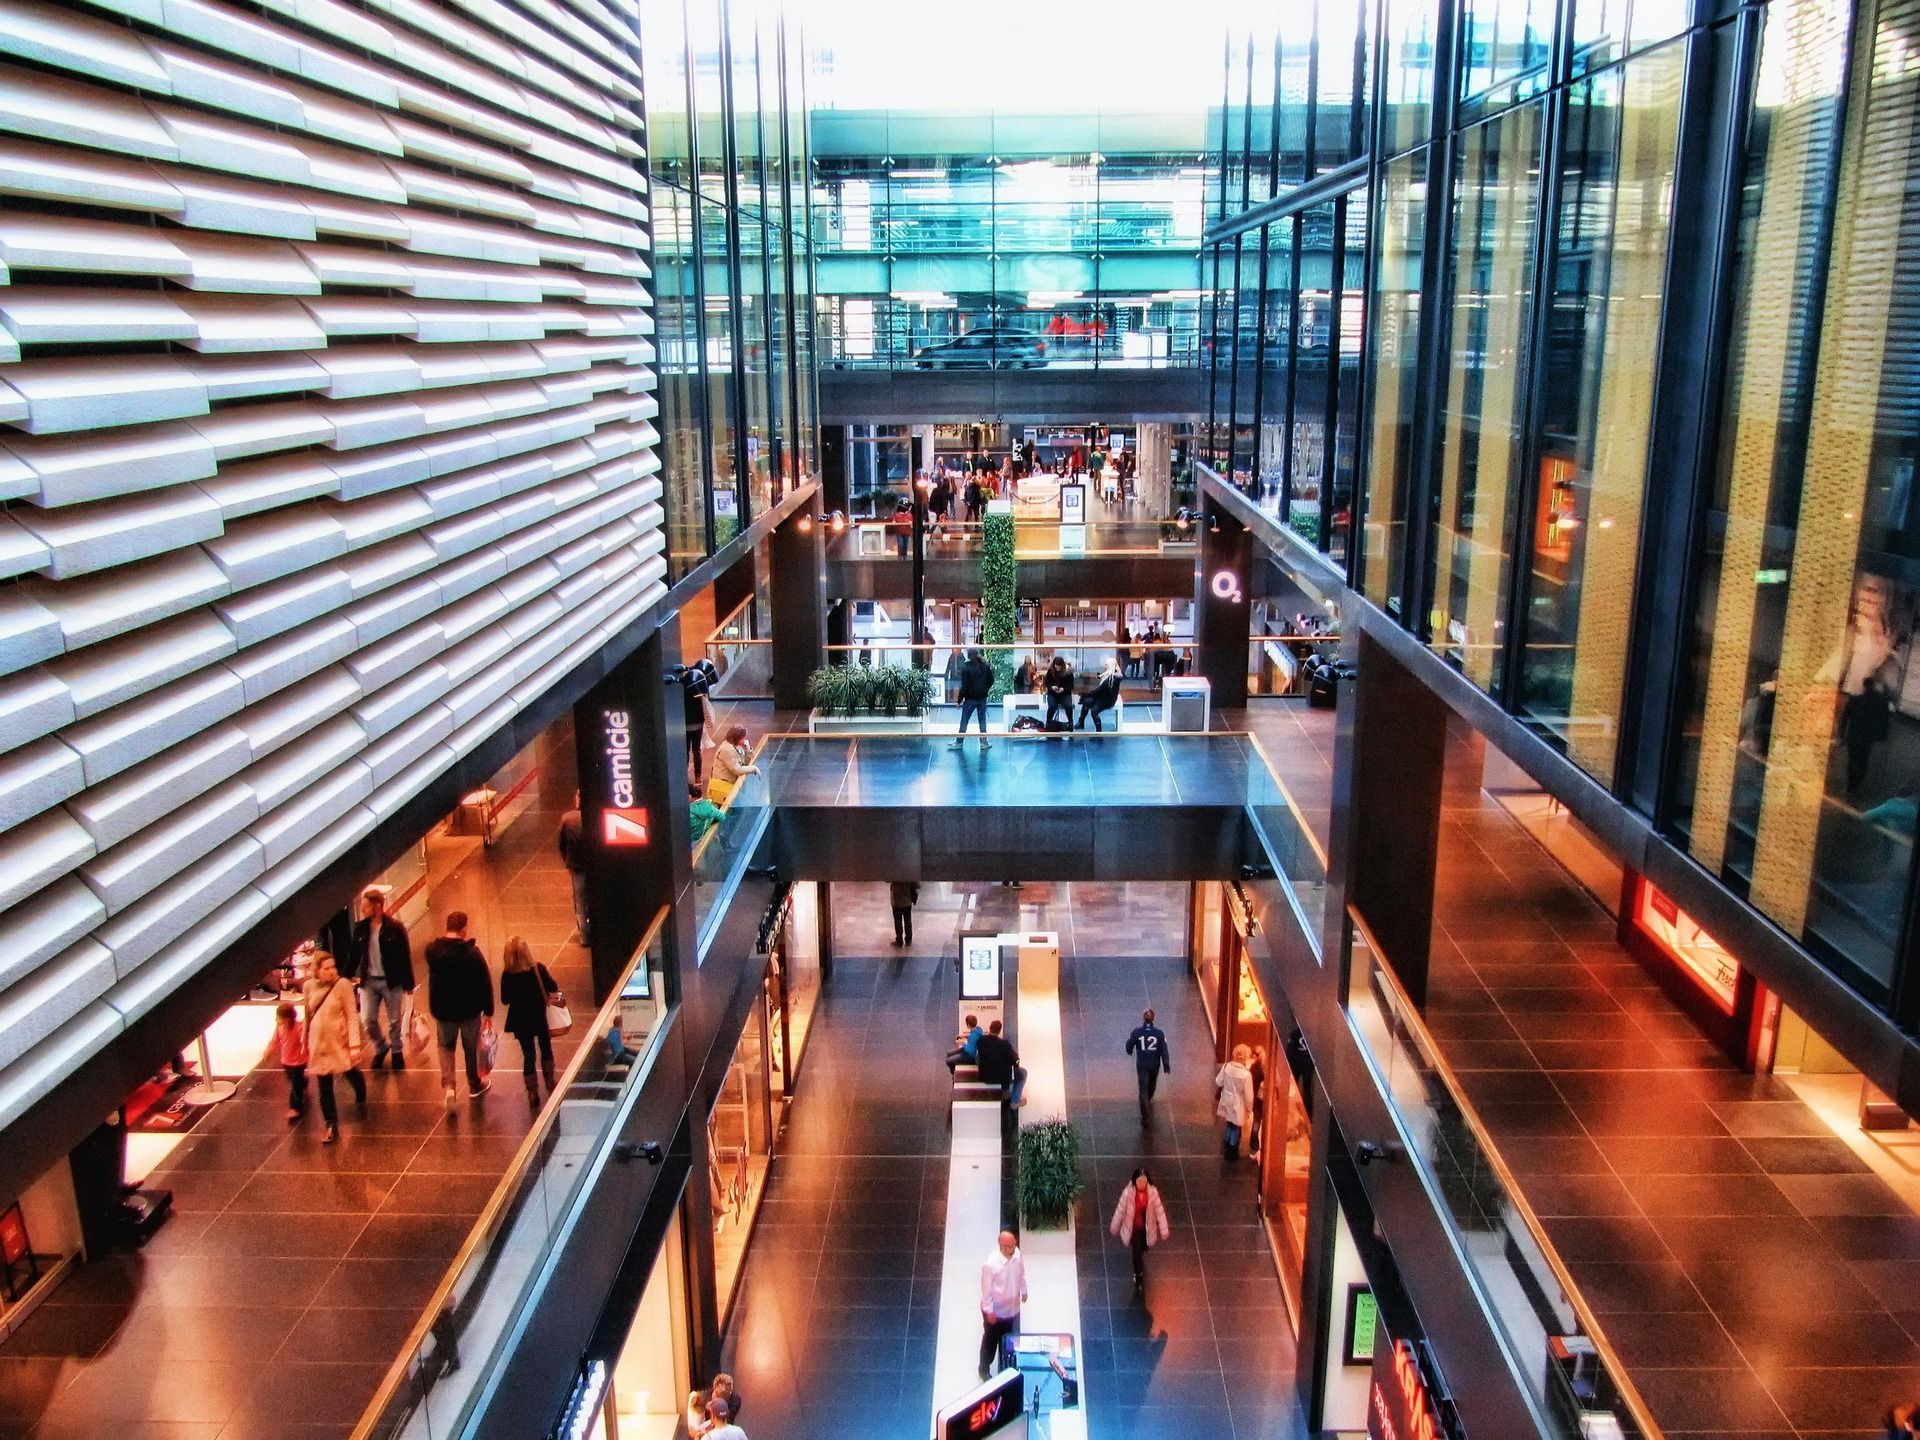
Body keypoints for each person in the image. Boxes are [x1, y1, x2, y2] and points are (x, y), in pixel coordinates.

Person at [425, 911, 494, 1107]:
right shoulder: (472, 953)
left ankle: (449, 1087)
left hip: (443, 1011)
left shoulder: (433, 951)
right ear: (463, 928)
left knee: (445, 1047)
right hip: (468, 1011)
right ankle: (474, 1084)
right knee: (471, 1048)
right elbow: (484, 981)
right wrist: (488, 1009)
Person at [345, 886, 415, 1070]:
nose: (362, 909)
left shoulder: (395, 928)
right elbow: (354, 955)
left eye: (366, 906)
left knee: (394, 1020)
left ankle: (397, 1051)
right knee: (367, 1018)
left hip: (391, 980)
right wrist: (346, 976)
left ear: (377, 905)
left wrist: (409, 984)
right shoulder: (361, 929)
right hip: (368, 981)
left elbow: (404, 956)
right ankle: (381, 1046)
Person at [302, 950, 367, 1144]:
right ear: (318, 970)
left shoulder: (342, 985)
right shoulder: (308, 986)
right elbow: (307, 1013)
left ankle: (359, 1087)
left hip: (339, 1039)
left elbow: (351, 1015)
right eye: (327, 968)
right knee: (324, 1085)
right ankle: (330, 1124)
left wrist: (355, 1044)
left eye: (333, 967)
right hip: (318, 1041)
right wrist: (304, 1039)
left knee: (347, 1070)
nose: (331, 971)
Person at [499, 935, 560, 1100]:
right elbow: (553, 987)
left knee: (528, 1054)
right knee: (545, 1047)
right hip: (539, 1016)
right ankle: (550, 1081)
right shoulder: (537, 969)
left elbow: (505, 1000)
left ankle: (532, 1091)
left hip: (520, 1020)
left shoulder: (507, 975)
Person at [1108, 1168, 1170, 1297]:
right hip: (1134, 1229)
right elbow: (1120, 1211)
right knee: (1136, 1253)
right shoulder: (1128, 1194)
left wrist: (1164, 1229)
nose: (1141, 1183)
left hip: (1146, 1229)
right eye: (1139, 1181)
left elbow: (1159, 1212)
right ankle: (1138, 1277)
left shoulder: (1152, 1193)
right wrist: (1115, 1226)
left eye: (1144, 1181)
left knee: (1142, 1248)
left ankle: (1140, 1259)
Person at [978, 1229, 1026, 1381]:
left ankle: (1007, 1366)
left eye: (1014, 1245)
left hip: (1011, 1309)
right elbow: (986, 1291)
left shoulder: (1017, 1254)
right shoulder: (990, 1265)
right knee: (990, 1342)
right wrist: (989, 1311)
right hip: (996, 1313)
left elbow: (1021, 1273)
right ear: (1001, 1245)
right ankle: (984, 1369)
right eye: (1009, 1246)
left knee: (1008, 1340)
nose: (1013, 1249)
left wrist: (1023, 1290)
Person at [1841, 676, 1893, 799]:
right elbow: (1884, 721)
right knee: (1863, 760)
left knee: (1853, 760)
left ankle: (1851, 786)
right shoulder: (1881, 702)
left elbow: (1845, 718)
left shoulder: (1855, 700)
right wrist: (1882, 735)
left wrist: (1841, 735)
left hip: (1854, 735)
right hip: (1868, 737)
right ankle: (1857, 785)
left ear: (1864, 686)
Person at [1125, 1007, 1170, 1125]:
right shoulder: (1159, 1034)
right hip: (1154, 1065)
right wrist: (1166, 1065)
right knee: (1152, 1086)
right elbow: (1164, 1050)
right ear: (1153, 1019)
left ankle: (1145, 1116)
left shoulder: (1137, 1032)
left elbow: (1129, 1045)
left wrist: (1129, 1051)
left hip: (1142, 1065)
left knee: (1143, 1090)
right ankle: (1147, 1102)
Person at [1215, 1043, 1256, 1160]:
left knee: (1229, 1122)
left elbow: (1218, 1081)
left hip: (1227, 1099)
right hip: (1238, 1103)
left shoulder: (1227, 1067)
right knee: (1236, 1126)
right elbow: (1248, 1095)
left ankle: (1226, 1143)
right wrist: (1249, 1108)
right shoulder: (1246, 1075)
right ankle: (1232, 1150)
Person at [558, 793, 589, 944]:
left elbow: (561, 844)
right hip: (592, 864)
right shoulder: (593, 817)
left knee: (580, 901)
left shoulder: (567, 819)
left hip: (576, 865)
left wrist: (567, 861)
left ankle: (584, 935)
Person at [975, 1019, 1027, 1107]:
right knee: (1023, 1073)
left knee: (1001, 1068)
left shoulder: (981, 1040)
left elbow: (977, 1055)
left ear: (990, 1028)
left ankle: (1006, 1092)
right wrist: (1016, 1064)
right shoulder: (1004, 1044)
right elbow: (1015, 1060)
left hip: (985, 1075)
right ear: (999, 1031)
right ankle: (1015, 1101)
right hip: (1001, 1076)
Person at [951, 647, 994, 751]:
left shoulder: (966, 668)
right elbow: (991, 680)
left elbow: (964, 686)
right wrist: (985, 689)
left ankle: (959, 742)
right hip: (982, 698)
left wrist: (959, 701)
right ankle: (984, 743)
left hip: (970, 699)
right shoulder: (985, 666)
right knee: (982, 721)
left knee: (964, 720)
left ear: (969, 655)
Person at [681, 659, 718, 784]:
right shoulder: (699, 692)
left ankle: (684, 776)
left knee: (685, 751)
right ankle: (698, 776)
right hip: (697, 724)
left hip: (685, 724)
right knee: (696, 750)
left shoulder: (683, 691)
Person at [273, 1000, 308, 1123]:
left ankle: (295, 1107)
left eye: (278, 1017)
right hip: (286, 1061)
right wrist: (268, 1051)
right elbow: (275, 1040)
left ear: (287, 1019)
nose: (276, 1020)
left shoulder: (299, 1028)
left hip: (298, 1062)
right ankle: (304, 1081)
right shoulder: (279, 1028)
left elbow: (304, 1041)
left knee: (294, 1084)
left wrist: (305, 1049)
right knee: (293, 1080)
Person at [708, 724, 757, 804]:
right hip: (723, 787)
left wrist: (748, 749)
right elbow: (736, 769)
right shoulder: (727, 750)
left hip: (731, 785)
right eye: (742, 738)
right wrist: (753, 769)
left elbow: (745, 762)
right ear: (736, 738)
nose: (744, 740)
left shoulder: (737, 746)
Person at [1075, 661, 1123, 732]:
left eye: (1106, 664)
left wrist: (1086, 694)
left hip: (1108, 700)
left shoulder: (1112, 680)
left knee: (1094, 711)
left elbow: (1098, 691)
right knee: (1086, 702)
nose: (1105, 666)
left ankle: (1099, 734)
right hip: (1102, 696)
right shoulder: (1109, 674)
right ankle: (1081, 722)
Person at [1042, 657, 1075, 731]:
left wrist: (1063, 689)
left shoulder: (1068, 673)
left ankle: (1070, 722)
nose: (1057, 668)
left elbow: (1071, 685)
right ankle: (1048, 722)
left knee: (1068, 706)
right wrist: (1052, 687)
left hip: (1065, 693)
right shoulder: (1050, 671)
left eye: (1059, 666)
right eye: (1056, 666)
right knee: (1052, 706)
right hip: (1053, 693)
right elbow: (1047, 683)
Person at [1248, 1045, 1268, 1161]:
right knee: (1265, 1126)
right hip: (1264, 1102)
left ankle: (1253, 1149)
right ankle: (1263, 1148)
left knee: (1256, 1125)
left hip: (1256, 1102)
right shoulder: (1267, 1071)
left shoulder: (1253, 1069)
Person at [889, 880, 919, 946]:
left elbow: (887, 879)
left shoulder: (894, 871)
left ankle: (899, 940)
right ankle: (908, 939)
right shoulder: (909, 872)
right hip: (907, 901)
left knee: (898, 922)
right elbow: (917, 885)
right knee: (908, 921)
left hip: (896, 901)